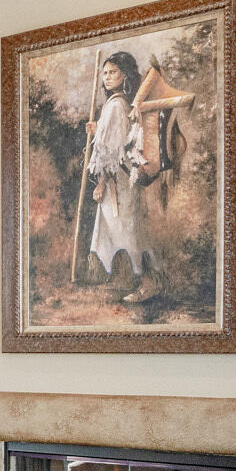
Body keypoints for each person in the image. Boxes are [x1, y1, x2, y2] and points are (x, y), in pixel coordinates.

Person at [84, 50, 155, 303]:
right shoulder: (118, 104)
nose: (106, 77)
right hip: (121, 181)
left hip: (119, 181)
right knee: (121, 229)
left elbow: (112, 152)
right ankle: (130, 280)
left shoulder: (116, 105)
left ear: (124, 75)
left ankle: (148, 283)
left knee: (127, 230)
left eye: (112, 72)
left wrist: (101, 183)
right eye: (104, 73)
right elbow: (112, 140)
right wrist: (98, 129)